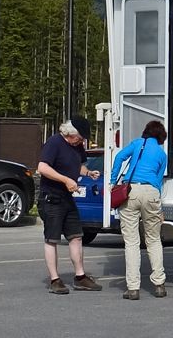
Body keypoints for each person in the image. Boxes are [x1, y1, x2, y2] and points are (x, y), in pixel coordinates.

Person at [36, 116, 103, 295]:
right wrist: (65, 180)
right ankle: (55, 279)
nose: (81, 142)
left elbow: (77, 165)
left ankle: (80, 277)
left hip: (68, 198)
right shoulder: (54, 143)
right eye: (80, 138)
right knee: (52, 239)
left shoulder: (77, 146)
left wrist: (88, 172)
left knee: (76, 236)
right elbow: (42, 168)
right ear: (70, 134)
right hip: (51, 197)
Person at [111, 120, 168, 300]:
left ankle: (133, 288)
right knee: (153, 240)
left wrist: (114, 180)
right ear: (161, 136)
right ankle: (159, 284)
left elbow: (119, 157)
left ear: (146, 132)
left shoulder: (137, 144)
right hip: (152, 193)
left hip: (131, 192)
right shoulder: (162, 153)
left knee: (132, 242)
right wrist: (160, 208)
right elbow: (158, 181)